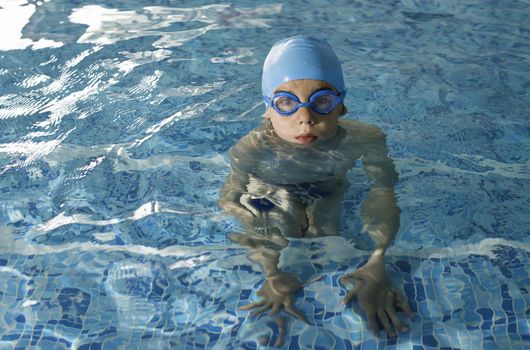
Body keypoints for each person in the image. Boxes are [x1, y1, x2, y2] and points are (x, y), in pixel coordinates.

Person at [218, 35, 413, 339]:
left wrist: (378, 259)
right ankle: (273, 277)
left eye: (322, 101)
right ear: (267, 109)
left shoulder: (365, 138)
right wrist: (266, 256)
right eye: (286, 103)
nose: (305, 118)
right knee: (271, 221)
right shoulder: (253, 147)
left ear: (342, 105)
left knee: (329, 243)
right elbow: (230, 198)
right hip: (272, 188)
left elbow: (383, 190)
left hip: (328, 188)